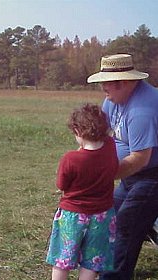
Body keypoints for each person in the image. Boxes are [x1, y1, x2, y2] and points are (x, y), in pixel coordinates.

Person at [87, 53, 158, 279]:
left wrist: (102, 177)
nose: (103, 89)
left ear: (125, 82)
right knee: (112, 217)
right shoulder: (113, 99)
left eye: (107, 83)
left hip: (152, 176)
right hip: (133, 176)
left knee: (126, 225)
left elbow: (140, 159)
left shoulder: (142, 111)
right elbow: (100, 133)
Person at [46, 103, 118, 280]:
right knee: (92, 261)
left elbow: (61, 185)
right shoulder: (110, 146)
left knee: (63, 259)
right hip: (102, 215)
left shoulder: (71, 158)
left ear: (78, 131)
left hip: (72, 216)